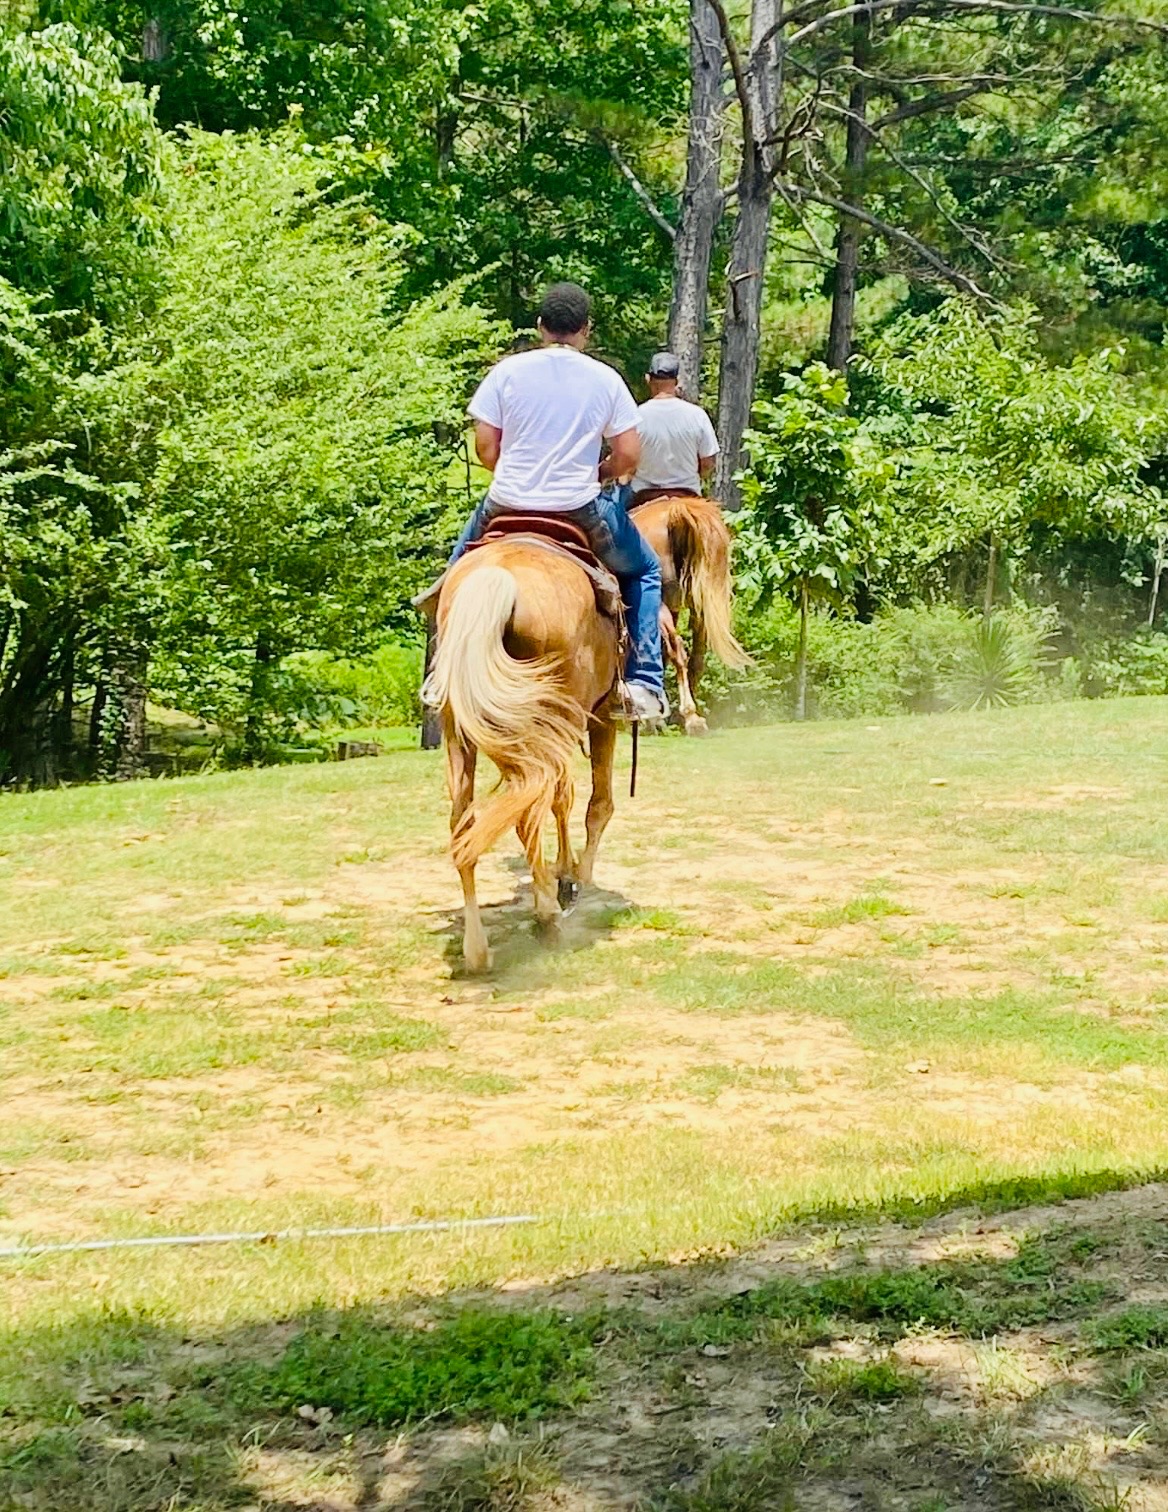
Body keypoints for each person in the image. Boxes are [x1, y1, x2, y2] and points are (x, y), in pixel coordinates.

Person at [449, 282, 668, 721]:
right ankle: (644, 681)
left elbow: (486, 448)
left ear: (540, 326)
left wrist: (518, 476)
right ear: (586, 330)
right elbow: (628, 454)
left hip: (506, 504)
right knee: (645, 571)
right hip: (578, 507)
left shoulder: (506, 372)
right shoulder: (605, 378)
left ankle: (442, 672)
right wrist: (601, 472)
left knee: (452, 579)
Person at [627, 351, 719, 505]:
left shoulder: (635, 417)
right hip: (688, 494)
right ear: (676, 381)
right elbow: (708, 463)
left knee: (611, 521)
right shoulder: (697, 415)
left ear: (648, 379)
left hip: (643, 494)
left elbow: (627, 462)